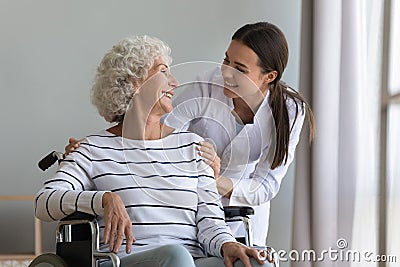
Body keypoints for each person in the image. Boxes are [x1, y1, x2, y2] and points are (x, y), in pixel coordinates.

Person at [65, 22, 315, 247]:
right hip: (189, 213)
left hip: (241, 215)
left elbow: (266, 185)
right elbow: (157, 127)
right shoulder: (208, 84)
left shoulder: (290, 111)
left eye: (239, 68)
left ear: (268, 77)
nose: (226, 72)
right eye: (226, 60)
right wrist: (94, 150)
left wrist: (210, 180)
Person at [35, 35, 272, 267]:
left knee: (256, 263)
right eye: (163, 72)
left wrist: (228, 245)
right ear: (135, 82)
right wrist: (103, 199)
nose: (175, 83)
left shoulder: (192, 146)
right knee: (176, 257)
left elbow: (211, 222)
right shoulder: (93, 149)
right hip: (126, 260)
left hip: (193, 259)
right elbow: (44, 201)